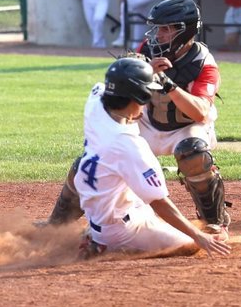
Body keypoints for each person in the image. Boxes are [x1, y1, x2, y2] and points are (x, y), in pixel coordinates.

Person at [47, 0, 233, 235]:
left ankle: (214, 221)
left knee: (193, 153)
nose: (159, 35)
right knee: (93, 158)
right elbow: (121, 79)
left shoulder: (203, 64)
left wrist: (167, 84)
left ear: (184, 32)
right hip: (148, 120)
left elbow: (199, 112)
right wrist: (145, 71)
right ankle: (57, 223)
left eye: (166, 30)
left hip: (186, 126)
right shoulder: (148, 50)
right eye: (158, 29)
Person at [69, 56, 232, 259]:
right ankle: (104, 245)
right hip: (121, 229)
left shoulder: (95, 103)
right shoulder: (129, 145)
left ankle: (94, 233)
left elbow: (109, 85)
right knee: (189, 244)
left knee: (133, 195)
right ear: (140, 97)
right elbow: (159, 203)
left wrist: (142, 70)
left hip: (103, 207)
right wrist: (198, 236)